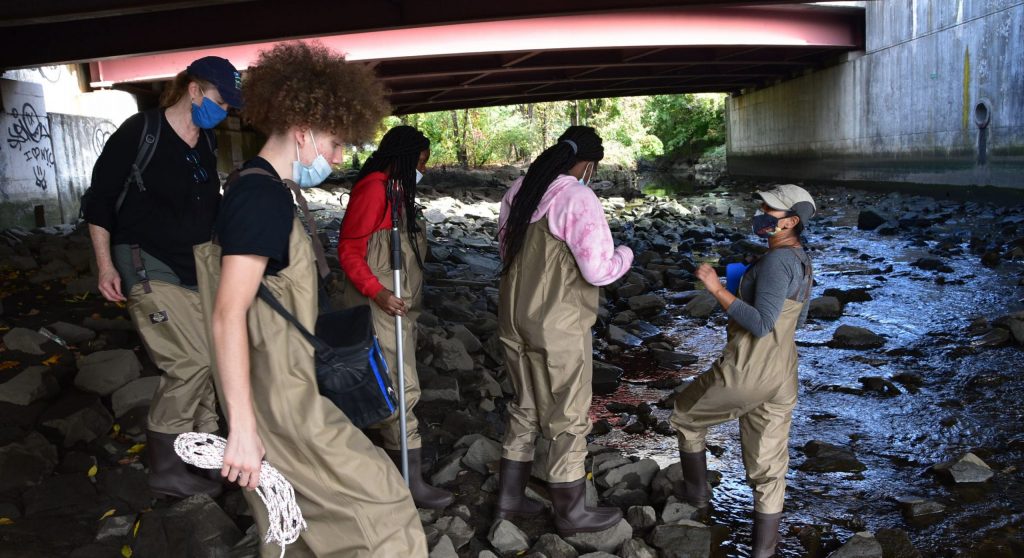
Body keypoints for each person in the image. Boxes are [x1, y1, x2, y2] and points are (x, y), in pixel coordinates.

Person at [193, 42, 426, 556]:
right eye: (337, 143)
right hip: (281, 400)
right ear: (303, 130)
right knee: (385, 510)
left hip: (285, 388)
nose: (341, 158)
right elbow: (228, 315)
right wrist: (244, 431)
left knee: (294, 524)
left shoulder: (259, 187)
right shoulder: (261, 199)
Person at [84, 56, 242, 499]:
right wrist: (105, 265)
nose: (225, 110)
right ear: (194, 90)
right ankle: (164, 465)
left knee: (213, 358)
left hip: (197, 265)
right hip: (146, 261)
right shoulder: (140, 132)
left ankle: (206, 454)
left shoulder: (206, 141)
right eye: (220, 100)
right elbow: (98, 202)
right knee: (188, 363)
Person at [496, 126, 634, 535]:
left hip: (513, 316)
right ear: (588, 164)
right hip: (557, 323)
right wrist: (625, 254)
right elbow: (598, 270)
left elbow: (505, 250)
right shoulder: (577, 196)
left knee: (524, 406)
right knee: (567, 414)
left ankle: (509, 500)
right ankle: (571, 513)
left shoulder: (521, 189)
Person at [669, 184, 816, 558]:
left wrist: (716, 288)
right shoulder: (800, 259)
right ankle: (763, 550)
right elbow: (790, 320)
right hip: (783, 371)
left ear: (791, 222)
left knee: (686, 415)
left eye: (771, 209)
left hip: (749, 367)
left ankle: (698, 499)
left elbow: (762, 323)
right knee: (769, 467)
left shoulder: (777, 261)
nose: (762, 211)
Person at [337, 125, 454, 510]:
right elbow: (350, 249)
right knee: (400, 386)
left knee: (396, 382)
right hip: (382, 306)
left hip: (401, 307)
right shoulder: (374, 189)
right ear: (403, 158)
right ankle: (409, 480)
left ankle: (391, 467)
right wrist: (380, 292)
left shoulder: (398, 189)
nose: (424, 169)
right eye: (420, 162)